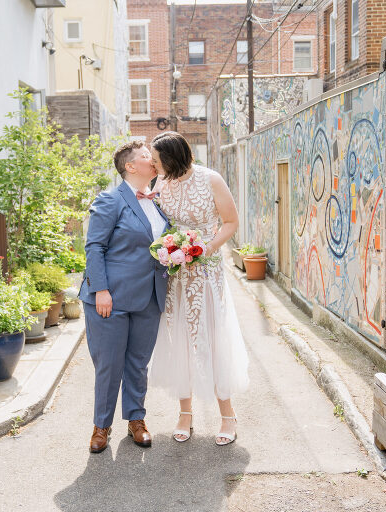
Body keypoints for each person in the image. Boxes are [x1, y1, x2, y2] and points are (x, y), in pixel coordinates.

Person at [148, 131, 249, 446]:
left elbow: (231, 222)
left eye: (155, 160)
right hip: (176, 273)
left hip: (205, 272)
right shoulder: (161, 184)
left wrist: (206, 247)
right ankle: (185, 413)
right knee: (180, 337)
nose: (152, 165)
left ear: (171, 159)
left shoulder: (211, 179)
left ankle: (228, 415)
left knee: (212, 335)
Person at [78, 140, 169, 453]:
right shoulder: (110, 200)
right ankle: (101, 426)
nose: (153, 160)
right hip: (111, 299)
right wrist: (100, 289)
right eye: (147, 157)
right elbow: (94, 247)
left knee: (138, 363)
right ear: (130, 166)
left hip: (149, 297)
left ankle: (136, 420)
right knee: (109, 365)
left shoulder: (155, 203)